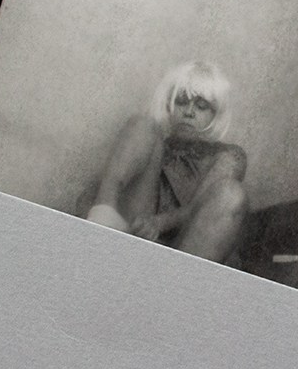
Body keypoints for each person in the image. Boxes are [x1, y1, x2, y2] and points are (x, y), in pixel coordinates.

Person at [86, 61, 248, 264]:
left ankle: (174, 278)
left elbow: (204, 207)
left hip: (187, 250)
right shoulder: (153, 142)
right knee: (142, 125)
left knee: (232, 194)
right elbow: (94, 191)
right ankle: (100, 219)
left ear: (215, 115)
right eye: (181, 102)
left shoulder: (228, 154)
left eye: (201, 106)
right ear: (169, 107)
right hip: (135, 234)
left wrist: (158, 223)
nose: (189, 112)